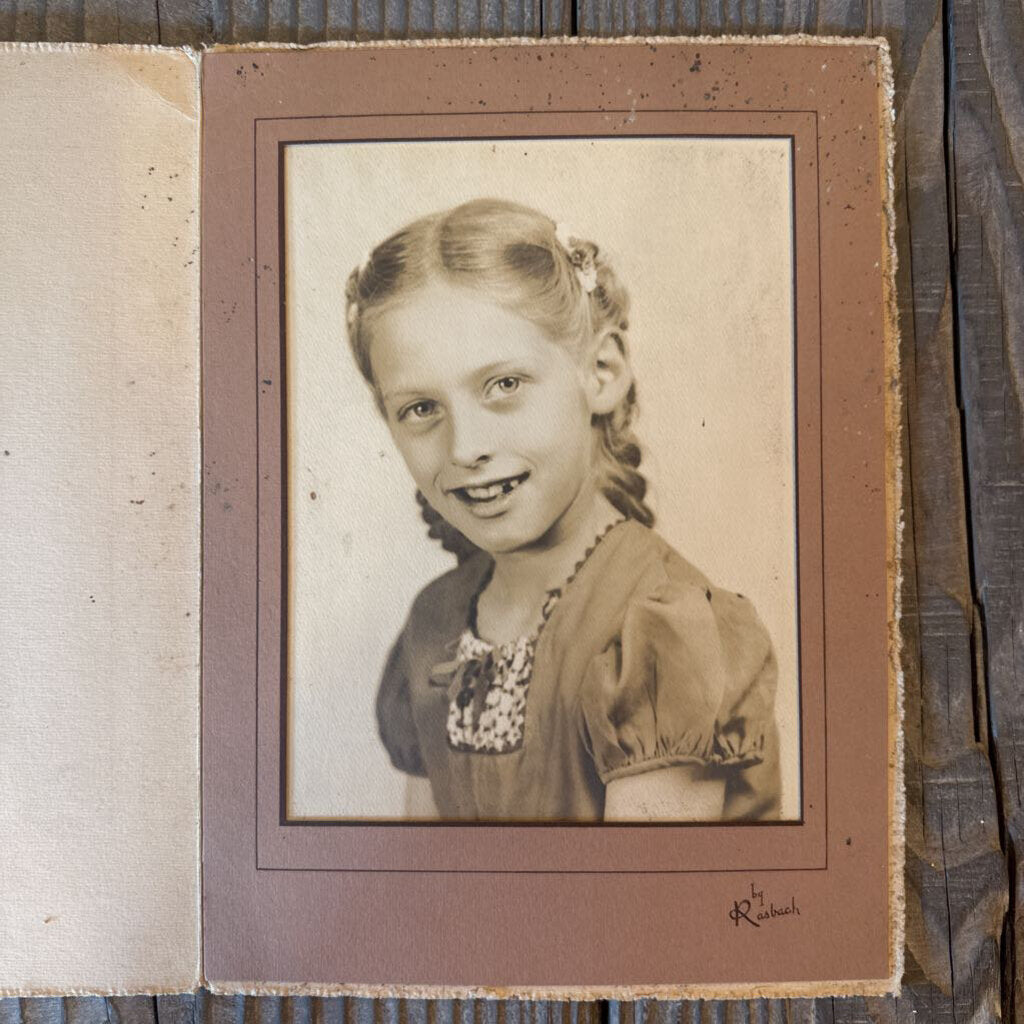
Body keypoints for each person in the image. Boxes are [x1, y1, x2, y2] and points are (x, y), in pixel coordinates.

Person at [343, 197, 781, 822]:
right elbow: (426, 892)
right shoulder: (434, 624)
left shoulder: (660, 632)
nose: (466, 447)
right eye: (420, 408)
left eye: (505, 385)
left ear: (601, 372)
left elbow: (637, 913)